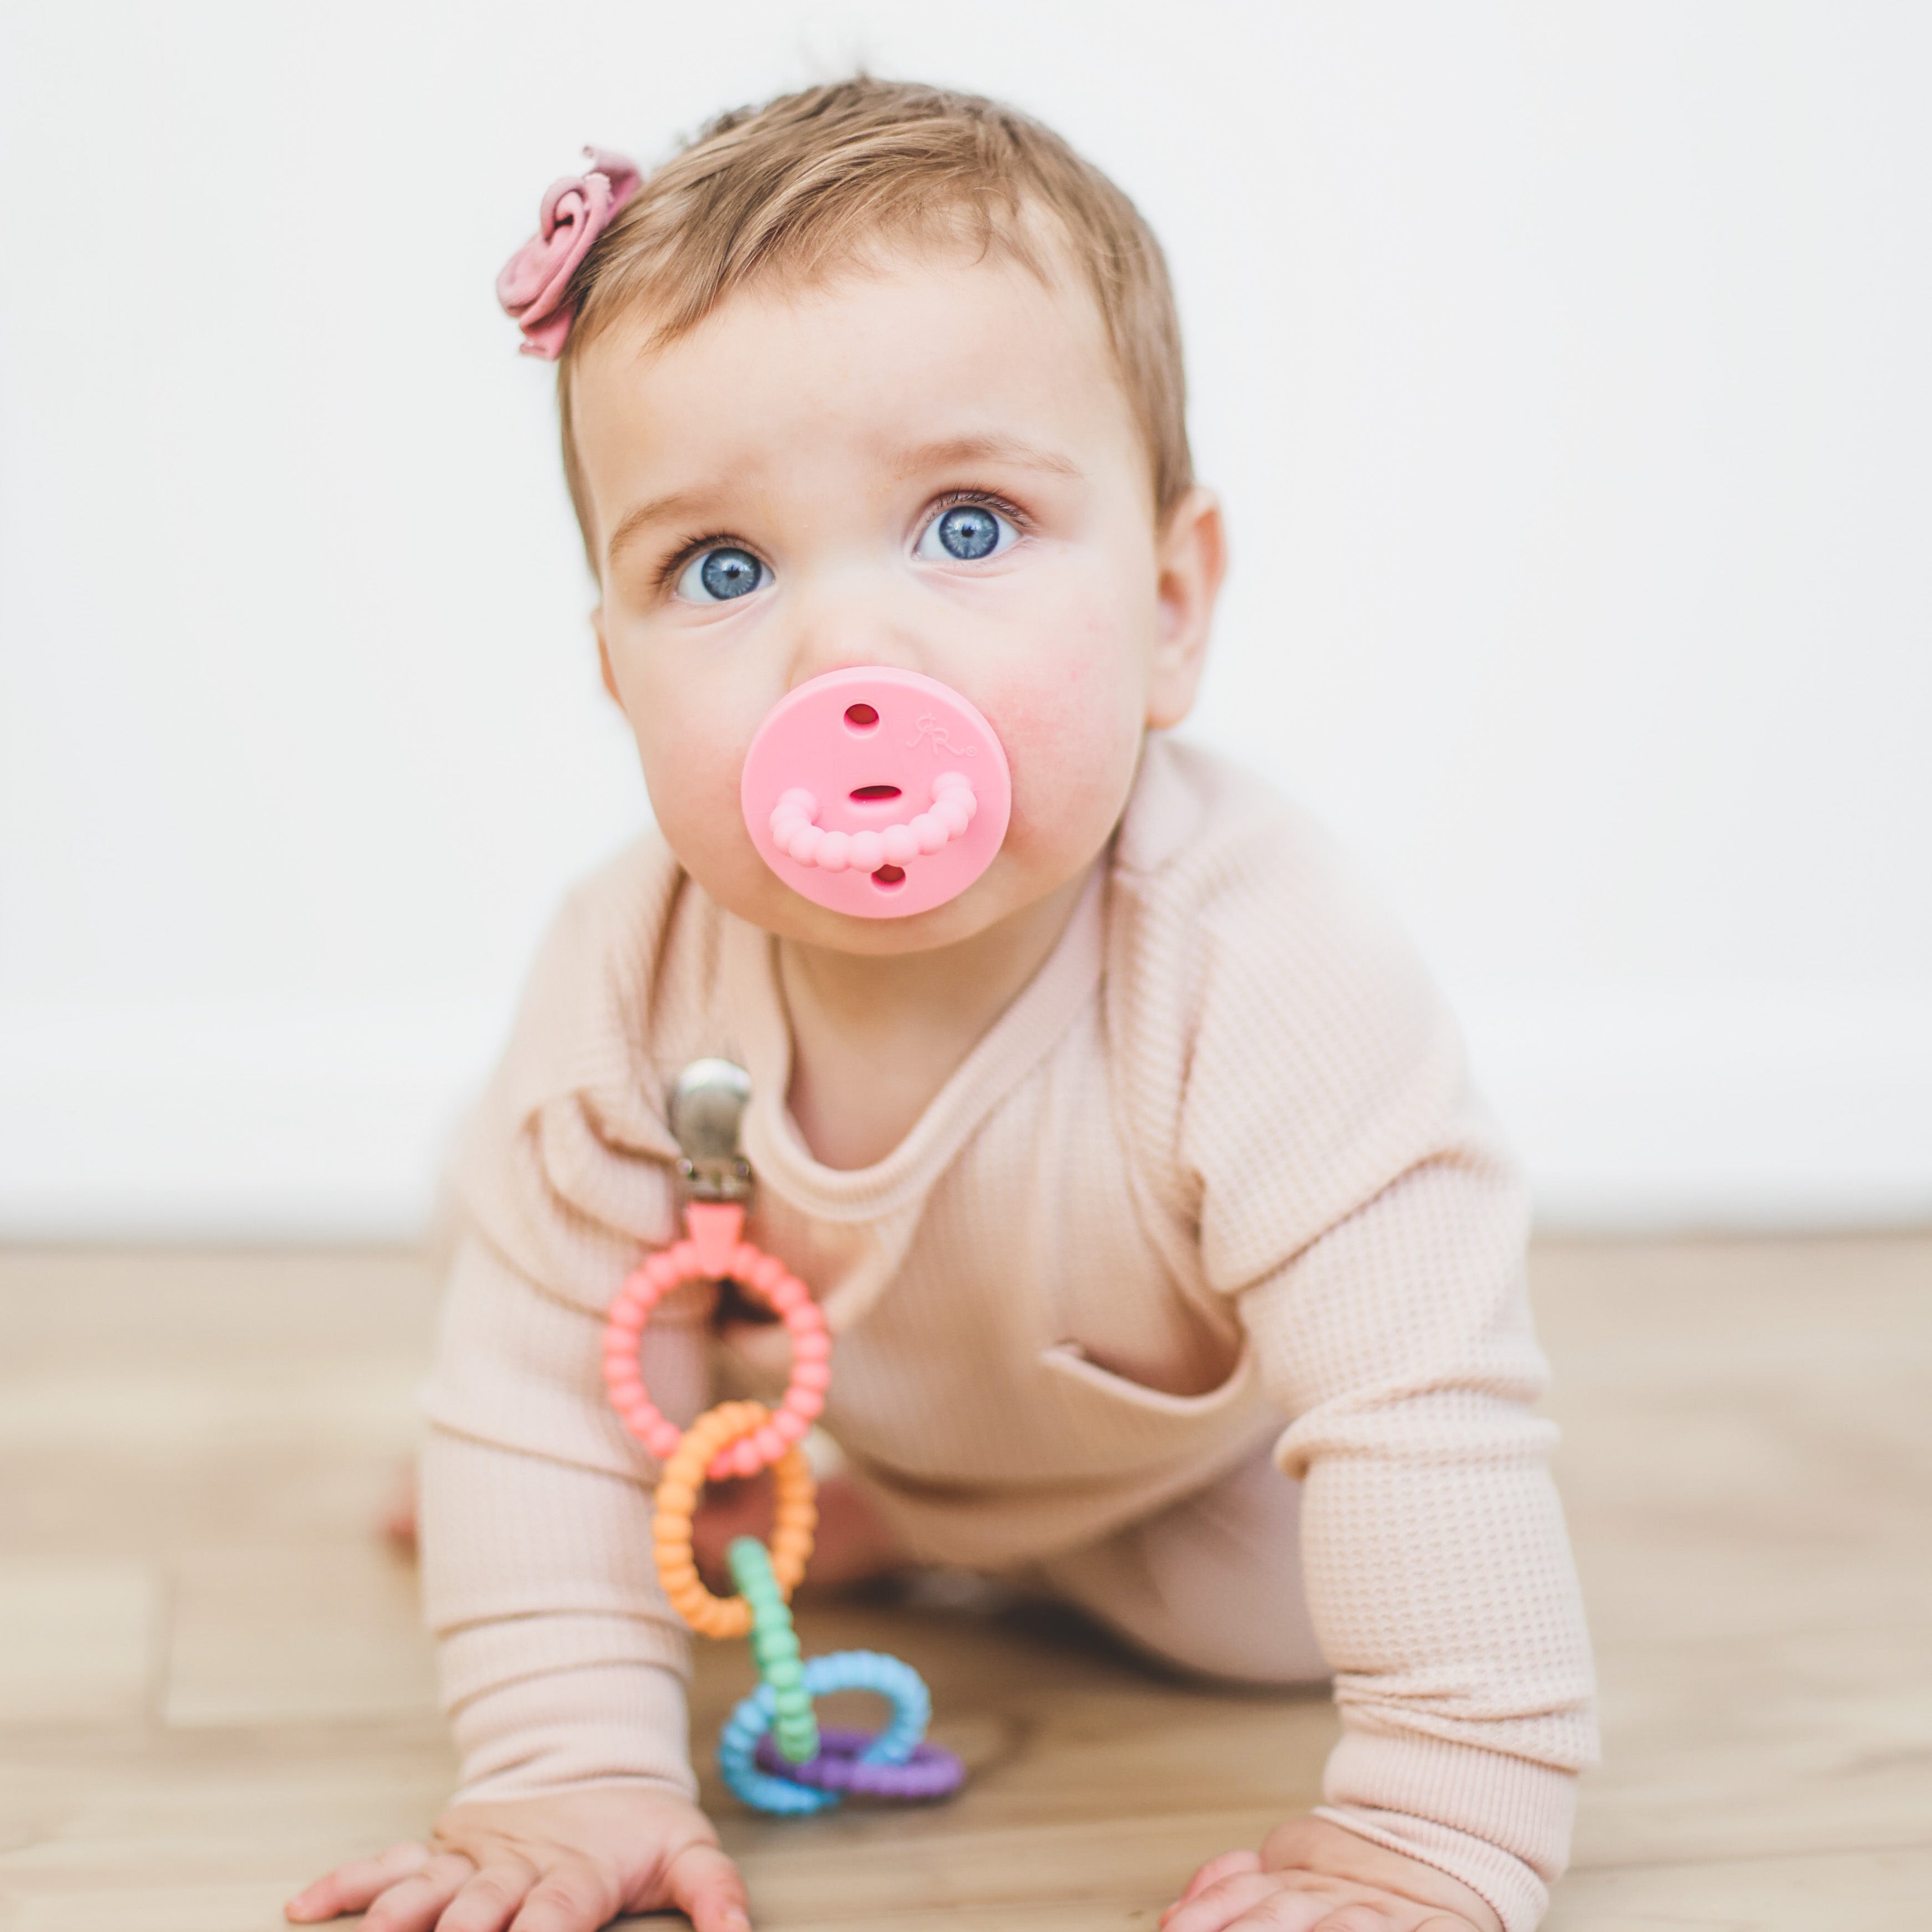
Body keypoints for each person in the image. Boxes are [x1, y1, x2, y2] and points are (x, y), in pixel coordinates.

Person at [287, 78, 1596, 1932]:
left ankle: (931, 1530)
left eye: (968, 528)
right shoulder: (631, 977)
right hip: (862, 1376)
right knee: (508, 1241)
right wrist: (563, 1771)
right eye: (721, 569)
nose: (849, 653)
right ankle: (886, 1506)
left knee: (1284, 1612)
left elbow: (1420, 1402)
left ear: (1170, 605)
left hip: (1180, 1469)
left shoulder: (1264, 969)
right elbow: (541, 1407)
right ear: (615, 671)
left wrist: (1442, 1835)